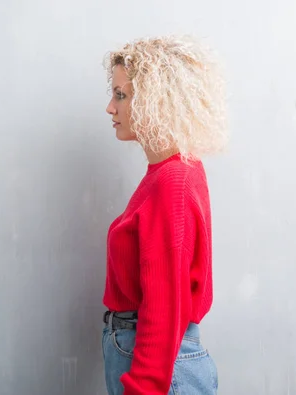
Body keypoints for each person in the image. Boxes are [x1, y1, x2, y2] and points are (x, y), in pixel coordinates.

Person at [101, 35, 227, 395]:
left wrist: (144, 388)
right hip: (161, 361)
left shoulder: (171, 180)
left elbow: (164, 303)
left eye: (121, 95)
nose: (111, 107)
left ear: (156, 101)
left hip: (159, 367)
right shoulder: (170, 171)